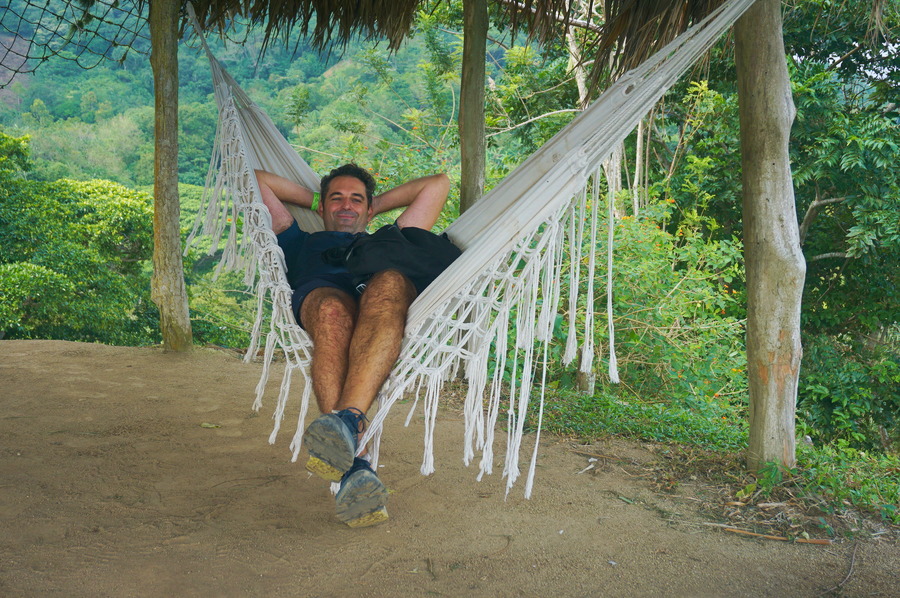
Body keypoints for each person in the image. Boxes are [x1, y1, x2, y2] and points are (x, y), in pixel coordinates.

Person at [255, 165, 450, 528]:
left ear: (369, 207)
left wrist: (372, 207)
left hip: (379, 299)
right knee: (331, 311)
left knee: (391, 280)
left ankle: (349, 448)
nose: (346, 206)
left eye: (356, 200)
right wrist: (318, 200)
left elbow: (437, 184)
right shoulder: (297, 238)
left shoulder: (390, 240)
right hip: (322, 294)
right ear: (321, 206)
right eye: (337, 199)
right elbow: (256, 178)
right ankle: (355, 452)